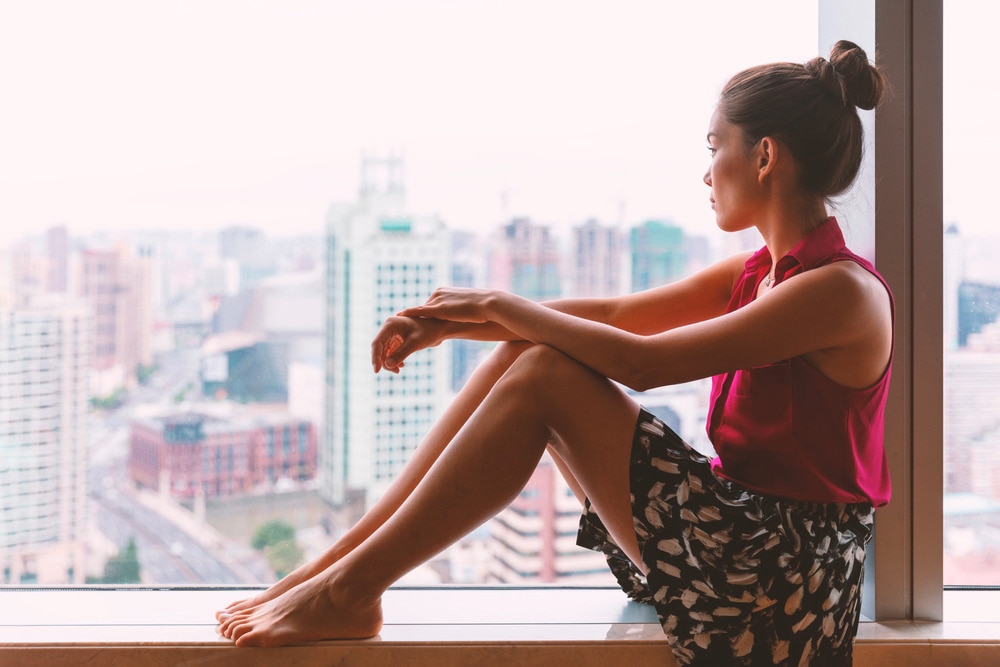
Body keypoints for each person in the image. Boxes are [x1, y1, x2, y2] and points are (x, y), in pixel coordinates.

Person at [217, 39, 891, 665]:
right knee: (526, 351)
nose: (706, 170)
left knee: (541, 367)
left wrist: (496, 307)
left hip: (781, 584)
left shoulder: (837, 291)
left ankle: (348, 592)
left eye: (716, 145)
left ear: (765, 156)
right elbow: (616, 315)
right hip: (733, 545)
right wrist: (457, 323)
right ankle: (329, 572)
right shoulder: (760, 271)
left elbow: (644, 364)